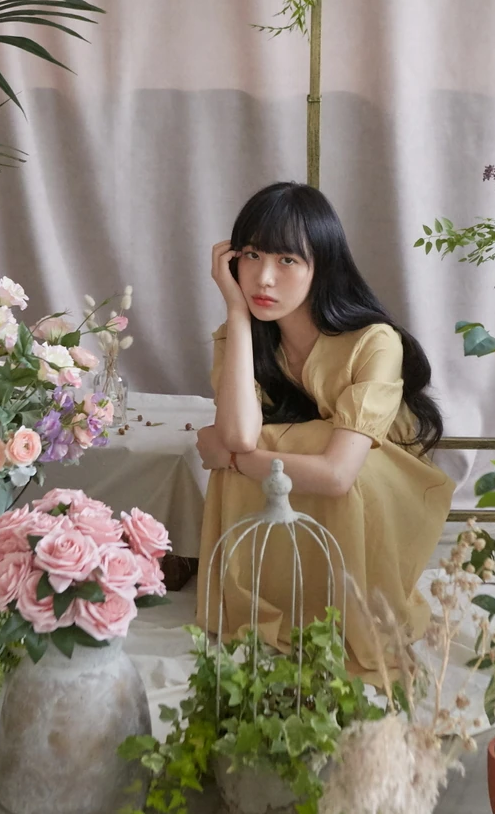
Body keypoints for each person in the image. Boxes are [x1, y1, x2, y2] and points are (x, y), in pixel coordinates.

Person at [195, 182, 454, 677]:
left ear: (322, 266)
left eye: (287, 260)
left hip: (378, 491)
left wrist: (232, 458)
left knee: (283, 451)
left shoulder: (374, 341)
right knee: (269, 443)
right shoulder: (243, 336)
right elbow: (241, 433)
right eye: (251, 255)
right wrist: (235, 311)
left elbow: (336, 474)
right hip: (313, 484)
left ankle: (341, 610)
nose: (264, 277)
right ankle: (279, 602)